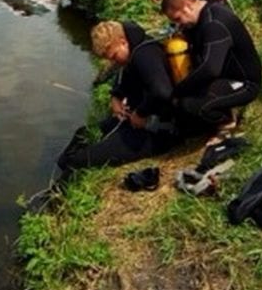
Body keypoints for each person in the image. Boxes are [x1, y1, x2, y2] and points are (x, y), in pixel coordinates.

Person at [54, 20, 179, 179]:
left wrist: (140, 113)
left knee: (80, 160)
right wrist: (116, 96)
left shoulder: (145, 55)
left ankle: (56, 196)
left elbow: (162, 92)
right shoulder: (134, 51)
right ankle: (60, 168)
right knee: (82, 134)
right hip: (139, 122)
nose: (114, 62)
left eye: (113, 56)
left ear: (123, 42)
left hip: (159, 132)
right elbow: (126, 79)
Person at [160, 0, 262, 141]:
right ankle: (222, 112)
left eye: (178, 19)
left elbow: (210, 69)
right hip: (224, 78)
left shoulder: (213, 23)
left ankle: (227, 123)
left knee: (191, 105)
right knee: (184, 107)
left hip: (245, 83)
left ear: (187, 6)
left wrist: (179, 90)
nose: (179, 25)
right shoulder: (203, 16)